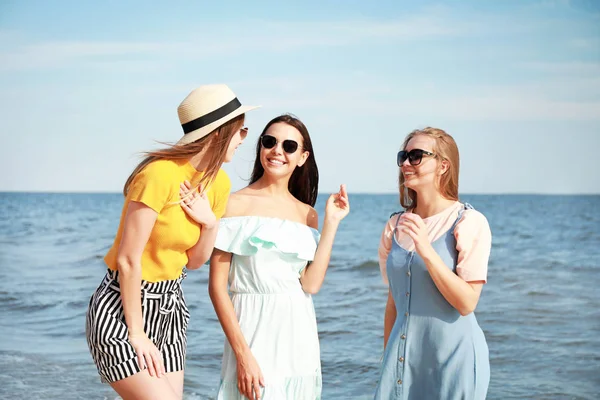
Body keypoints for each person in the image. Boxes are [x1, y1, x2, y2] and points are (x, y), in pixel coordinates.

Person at [85, 84, 259, 400]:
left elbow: (194, 262)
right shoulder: (159, 175)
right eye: (241, 131)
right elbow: (128, 260)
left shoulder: (219, 182)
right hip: (123, 309)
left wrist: (209, 223)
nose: (244, 139)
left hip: (170, 308)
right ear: (219, 134)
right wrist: (136, 334)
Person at [207, 114, 349, 400]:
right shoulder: (234, 204)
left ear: (302, 157)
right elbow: (216, 288)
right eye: (270, 142)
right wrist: (243, 355)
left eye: (289, 146)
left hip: (299, 337)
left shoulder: (307, 214)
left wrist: (331, 222)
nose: (277, 151)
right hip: (251, 334)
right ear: (260, 147)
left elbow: (310, 285)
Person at [374, 127, 491, 399]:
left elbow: (467, 303)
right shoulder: (394, 225)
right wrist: (387, 362)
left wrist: (426, 250)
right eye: (403, 156)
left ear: (443, 165)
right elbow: (394, 301)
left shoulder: (469, 222)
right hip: (404, 363)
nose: (405, 163)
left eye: (416, 156)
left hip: (453, 362)